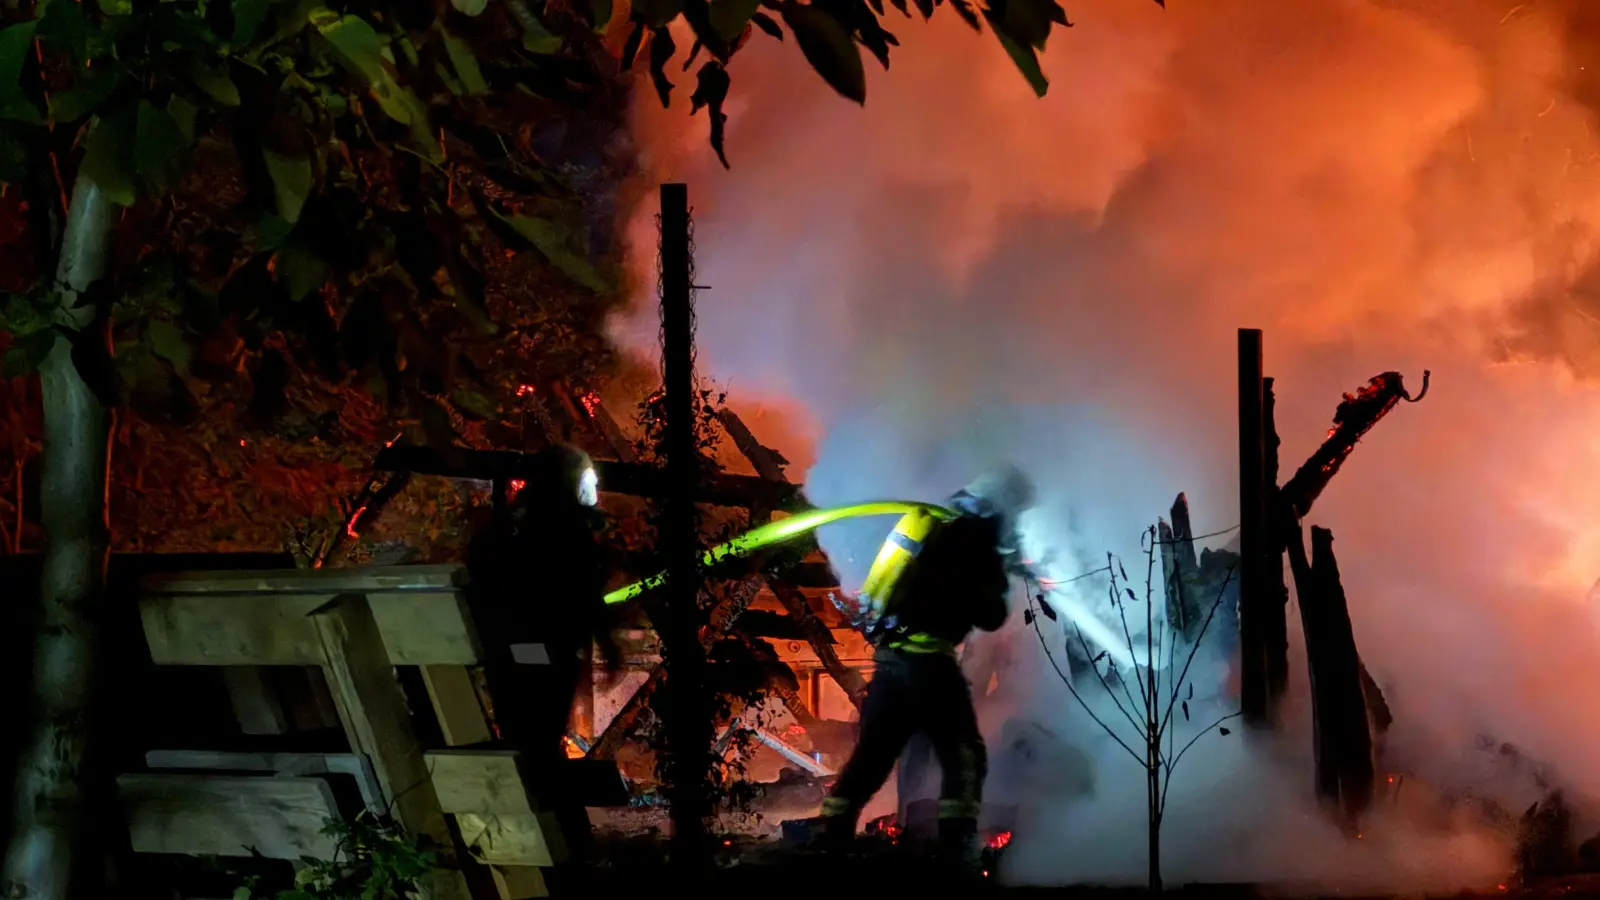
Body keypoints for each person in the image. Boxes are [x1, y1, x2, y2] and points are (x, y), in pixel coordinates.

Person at [816, 464, 1036, 871]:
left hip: (891, 659)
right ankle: (957, 851)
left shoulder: (929, 521)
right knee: (964, 757)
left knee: (872, 758)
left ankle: (831, 838)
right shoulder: (979, 540)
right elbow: (990, 615)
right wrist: (1002, 571)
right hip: (930, 665)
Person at [466, 444, 622, 863]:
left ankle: (539, 841)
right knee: (543, 750)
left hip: (505, 655)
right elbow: (585, 595)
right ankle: (566, 846)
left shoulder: (506, 532)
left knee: (525, 743)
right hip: (550, 655)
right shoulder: (570, 534)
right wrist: (606, 642)